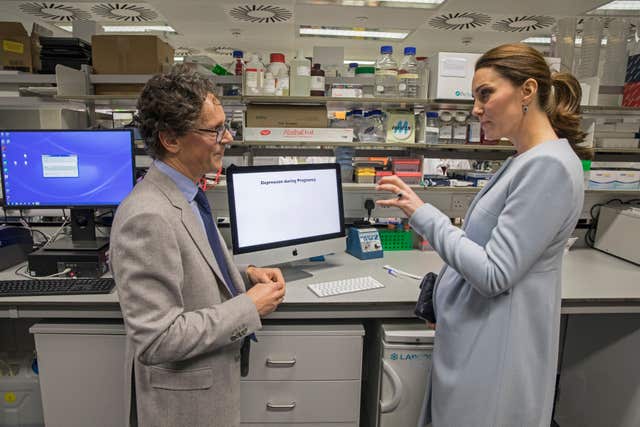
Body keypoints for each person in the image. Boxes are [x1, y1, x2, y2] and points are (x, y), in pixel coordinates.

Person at [376, 43, 587, 427]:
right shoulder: (522, 160)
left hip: (496, 354)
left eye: (485, 94)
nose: (476, 109)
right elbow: (485, 248)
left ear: (527, 91)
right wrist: (445, 297)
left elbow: (494, 274)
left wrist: (422, 214)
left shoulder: (548, 168)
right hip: (474, 336)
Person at [110, 66, 286, 427]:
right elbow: (157, 339)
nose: (228, 137)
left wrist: (245, 275)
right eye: (215, 130)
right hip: (183, 408)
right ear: (171, 139)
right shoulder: (147, 216)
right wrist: (247, 307)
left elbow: (192, 266)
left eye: (226, 125)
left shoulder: (185, 194)